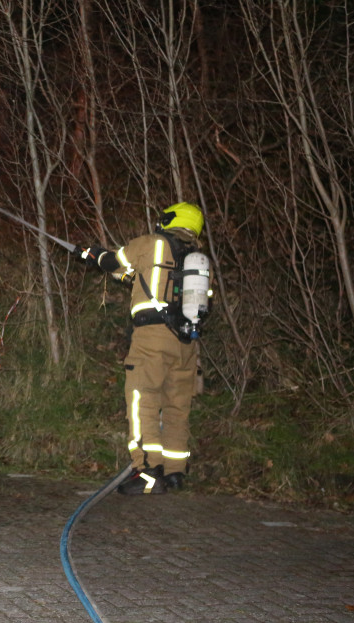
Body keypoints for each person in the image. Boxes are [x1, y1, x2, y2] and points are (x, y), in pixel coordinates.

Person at [73, 202, 211, 495]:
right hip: (186, 343)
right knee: (176, 408)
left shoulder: (152, 243)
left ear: (170, 219)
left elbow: (113, 261)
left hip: (152, 339)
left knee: (142, 399)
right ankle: (174, 474)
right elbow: (133, 277)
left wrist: (91, 254)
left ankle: (147, 472)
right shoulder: (195, 258)